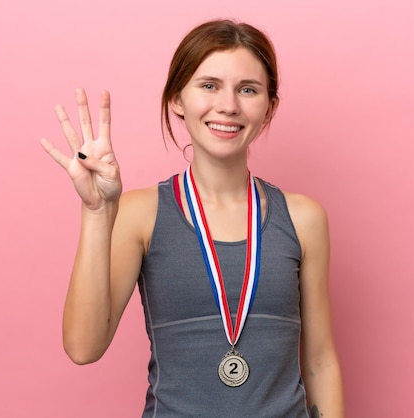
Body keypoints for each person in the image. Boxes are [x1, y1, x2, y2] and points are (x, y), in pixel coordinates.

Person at [40, 19, 344, 418]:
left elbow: (321, 362)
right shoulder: (140, 214)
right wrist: (98, 213)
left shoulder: (303, 218)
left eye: (248, 89)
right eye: (209, 85)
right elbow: (83, 347)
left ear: (269, 106)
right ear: (178, 98)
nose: (229, 105)